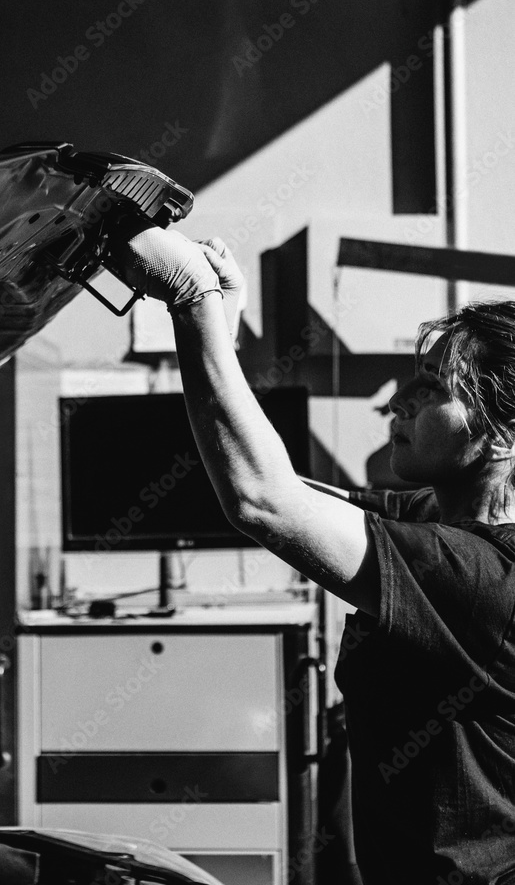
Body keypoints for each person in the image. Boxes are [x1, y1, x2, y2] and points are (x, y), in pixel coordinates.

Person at [108, 218, 515, 885]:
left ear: (499, 438)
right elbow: (285, 489)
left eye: (432, 388)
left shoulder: (477, 579)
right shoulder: (436, 520)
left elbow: (262, 501)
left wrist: (191, 304)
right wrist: (223, 328)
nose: (396, 402)